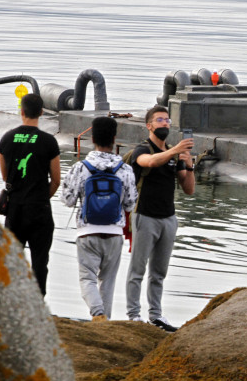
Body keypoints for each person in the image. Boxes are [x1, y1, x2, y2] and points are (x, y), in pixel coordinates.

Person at [125, 106, 195, 331]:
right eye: (159, 120)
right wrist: (175, 150)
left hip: (169, 218)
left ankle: (156, 315)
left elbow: (188, 189)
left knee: (159, 272)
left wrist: (189, 165)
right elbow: (151, 162)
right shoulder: (142, 149)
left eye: (167, 120)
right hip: (144, 215)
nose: (165, 123)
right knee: (137, 269)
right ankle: (133, 315)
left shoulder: (174, 155)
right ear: (149, 126)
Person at [61, 116, 138, 322]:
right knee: (108, 281)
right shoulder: (125, 169)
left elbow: (67, 200)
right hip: (114, 233)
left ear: (92, 138)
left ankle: (98, 314)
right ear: (114, 139)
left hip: (87, 232)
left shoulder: (80, 167)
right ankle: (105, 323)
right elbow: (130, 204)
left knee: (87, 278)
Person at [0, 93, 61, 297]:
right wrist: (41, 197)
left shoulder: (6, 139)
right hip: (39, 209)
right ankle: (38, 306)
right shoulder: (49, 141)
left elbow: (5, 176)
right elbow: (56, 180)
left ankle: (11, 302)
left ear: (21, 112)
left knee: (13, 260)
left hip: (14, 209)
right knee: (40, 261)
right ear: (41, 112)